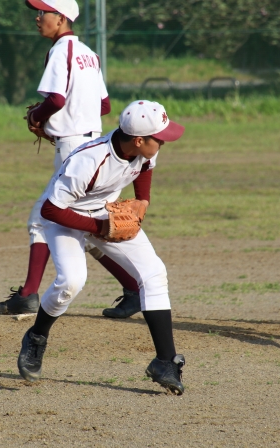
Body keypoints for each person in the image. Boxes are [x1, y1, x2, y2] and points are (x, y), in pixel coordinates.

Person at [16, 100, 187, 395]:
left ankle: (165, 362)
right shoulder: (89, 160)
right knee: (71, 282)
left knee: (154, 274)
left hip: (104, 213)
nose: (163, 142)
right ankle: (36, 336)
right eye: (159, 138)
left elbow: (145, 167)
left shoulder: (143, 149)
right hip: (63, 217)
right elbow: (50, 210)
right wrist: (101, 228)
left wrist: (142, 201)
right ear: (139, 140)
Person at [0, 0, 141, 319]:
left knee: (43, 218)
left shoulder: (61, 50)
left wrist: (37, 116)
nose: (38, 18)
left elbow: (57, 99)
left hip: (74, 149)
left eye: (43, 12)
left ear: (61, 18)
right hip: (95, 146)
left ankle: (28, 295)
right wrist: (74, 116)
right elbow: (104, 105)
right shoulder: (89, 53)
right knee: (80, 227)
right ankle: (133, 289)